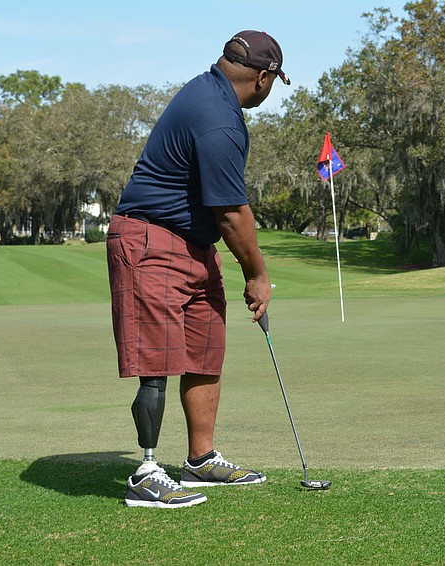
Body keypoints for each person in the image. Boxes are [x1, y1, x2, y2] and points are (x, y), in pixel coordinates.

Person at [106, 30, 290, 508]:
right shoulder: (218, 120)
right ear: (264, 78)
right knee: (157, 360)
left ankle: (200, 459)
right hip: (151, 239)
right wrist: (257, 275)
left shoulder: (209, 92)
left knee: (204, 350)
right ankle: (146, 473)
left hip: (192, 245)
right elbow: (232, 212)